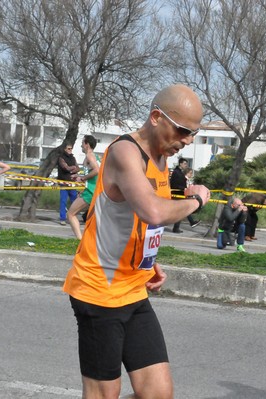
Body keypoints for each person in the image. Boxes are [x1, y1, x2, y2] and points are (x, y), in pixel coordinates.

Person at [62, 84, 210, 399]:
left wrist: (148, 260)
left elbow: (128, 218)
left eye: (194, 134)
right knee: (103, 394)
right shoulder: (125, 151)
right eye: (183, 131)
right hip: (99, 291)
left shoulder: (161, 156)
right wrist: (197, 201)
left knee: (157, 394)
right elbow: (153, 211)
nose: (187, 141)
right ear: (157, 117)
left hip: (133, 289)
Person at [66, 134, 100, 239]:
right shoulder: (94, 156)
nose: (81, 145)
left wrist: (83, 178)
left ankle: (79, 240)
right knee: (91, 219)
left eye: (82, 143)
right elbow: (94, 176)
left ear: (87, 144)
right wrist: (80, 177)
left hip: (91, 192)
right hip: (92, 190)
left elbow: (97, 170)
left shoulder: (90, 156)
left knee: (71, 214)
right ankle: (90, 241)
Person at [170, 157, 200, 232]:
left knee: (183, 210)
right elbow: (174, 184)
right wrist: (183, 188)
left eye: (186, 164)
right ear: (180, 164)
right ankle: (188, 223)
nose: (186, 165)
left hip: (180, 193)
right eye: (185, 163)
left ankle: (178, 227)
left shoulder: (180, 172)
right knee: (183, 210)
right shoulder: (176, 172)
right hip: (177, 194)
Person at [57, 142, 80, 225]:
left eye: (71, 149)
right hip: (63, 182)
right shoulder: (61, 158)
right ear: (65, 149)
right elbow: (65, 168)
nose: (70, 150)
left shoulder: (73, 158)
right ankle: (62, 218)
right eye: (68, 149)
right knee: (63, 201)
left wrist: (72, 169)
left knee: (75, 200)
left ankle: (72, 217)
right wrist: (73, 168)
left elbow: (78, 168)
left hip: (72, 183)